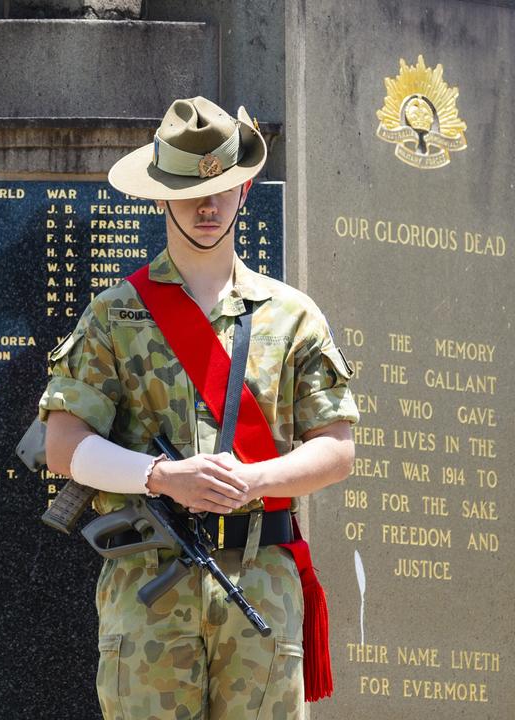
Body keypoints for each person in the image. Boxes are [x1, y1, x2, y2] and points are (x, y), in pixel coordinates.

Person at [39, 97, 359, 719]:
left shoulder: (293, 318)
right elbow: (63, 445)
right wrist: (161, 477)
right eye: (189, 191)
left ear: (243, 192)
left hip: (261, 581)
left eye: (223, 188)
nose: (208, 207)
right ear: (161, 197)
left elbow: (336, 449)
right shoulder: (114, 314)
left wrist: (253, 480)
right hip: (149, 585)